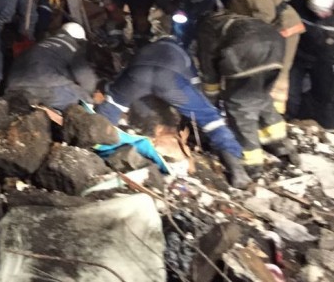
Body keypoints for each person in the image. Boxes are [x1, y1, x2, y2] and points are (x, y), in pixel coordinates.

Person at [95, 35, 250, 188]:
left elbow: (122, 76)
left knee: (112, 105)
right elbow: (195, 85)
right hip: (170, 81)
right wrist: (193, 111)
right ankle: (237, 170)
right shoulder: (181, 52)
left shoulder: (146, 48)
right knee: (211, 120)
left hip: (138, 76)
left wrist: (116, 96)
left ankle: (94, 145)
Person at [197, 12, 299, 172]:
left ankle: (251, 163)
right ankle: (280, 144)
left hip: (247, 52)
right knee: (260, 97)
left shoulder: (205, 30)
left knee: (240, 105)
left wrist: (211, 97)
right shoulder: (233, 20)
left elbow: (208, 66)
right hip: (276, 47)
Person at [201, 0, 305, 114]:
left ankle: (276, 114)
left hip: (284, 29)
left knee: (278, 73)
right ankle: (260, 109)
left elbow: (265, 15)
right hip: (267, 34)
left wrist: (250, 38)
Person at [4, 22, 97, 111]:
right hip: (45, 86)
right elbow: (84, 75)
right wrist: (90, 96)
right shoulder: (75, 49)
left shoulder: (41, 43)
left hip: (13, 84)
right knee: (81, 99)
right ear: (80, 40)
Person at [287, 0, 334, 127]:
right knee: (292, 93)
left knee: (325, 95)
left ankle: (327, 126)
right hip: (299, 57)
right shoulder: (296, 6)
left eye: (326, 11)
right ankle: (290, 121)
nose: (323, 15)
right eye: (319, 12)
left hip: (323, 61)